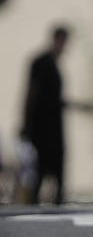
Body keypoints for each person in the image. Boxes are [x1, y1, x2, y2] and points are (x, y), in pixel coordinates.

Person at [19, 25, 71, 205]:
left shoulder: (54, 64)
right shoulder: (40, 63)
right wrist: (25, 124)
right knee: (39, 170)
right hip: (41, 127)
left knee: (57, 170)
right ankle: (34, 203)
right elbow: (31, 94)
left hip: (54, 125)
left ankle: (57, 203)